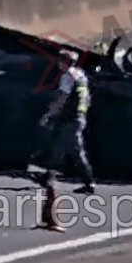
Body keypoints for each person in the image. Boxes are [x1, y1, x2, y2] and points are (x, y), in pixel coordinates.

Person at [39, 48, 95, 194]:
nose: (57, 63)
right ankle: (48, 176)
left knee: (75, 150)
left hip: (71, 118)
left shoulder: (68, 76)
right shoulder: (81, 75)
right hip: (79, 116)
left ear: (63, 62)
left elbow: (62, 99)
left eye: (59, 60)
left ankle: (89, 182)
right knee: (58, 146)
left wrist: (49, 114)